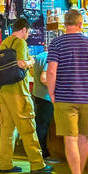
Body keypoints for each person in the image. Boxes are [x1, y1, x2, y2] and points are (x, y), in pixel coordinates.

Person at [44, 9, 88, 174]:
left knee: (70, 138)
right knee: (84, 138)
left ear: (65, 24)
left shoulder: (57, 43)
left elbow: (52, 71)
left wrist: (52, 92)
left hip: (65, 96)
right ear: (80, 24)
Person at [0, 17, 51, 174]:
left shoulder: (5, 43)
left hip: (4, 90)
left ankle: (5, 164)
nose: (28, 35)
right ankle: (37, 164)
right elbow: (21, 63)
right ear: (24, 30)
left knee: (7, 129)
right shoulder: (21, 43)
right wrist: (31, 61)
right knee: (28, 128)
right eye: (28, 32)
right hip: (19, 92)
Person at [30, 36, 55, 165]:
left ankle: (40, 152)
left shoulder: (39, 56)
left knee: (40, 124)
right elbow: (44, 78)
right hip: (46, 96)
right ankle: (40, 153)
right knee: (42, 126)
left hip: (38, 94)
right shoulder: (49, 58)